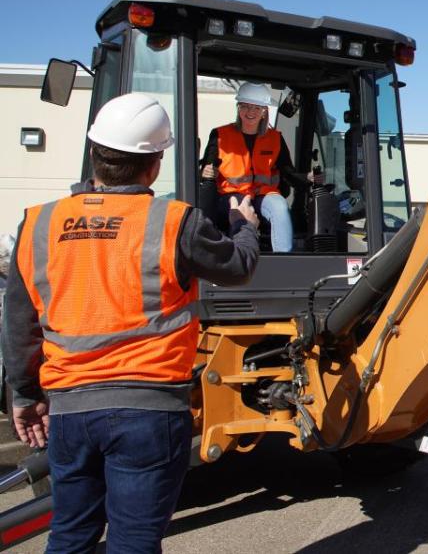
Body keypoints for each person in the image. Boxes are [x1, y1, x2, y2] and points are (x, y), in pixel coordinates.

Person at [2, 93, 260, 553]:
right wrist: (245, 224)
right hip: (150, 410)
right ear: (155, 163)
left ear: (94, 150)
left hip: (70, 410)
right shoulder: (175, 221)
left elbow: (20, 325)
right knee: (135, 540)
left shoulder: (37, 224)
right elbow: (239, 268)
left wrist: (25, 396)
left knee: (70, 535)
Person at [200, 82, 316, 253]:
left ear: (264, 112)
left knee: (280, 206)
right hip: (230, 195)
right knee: (240, 208)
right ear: (238, 108)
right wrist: (206, 172)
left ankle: (284, 263)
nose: (250, 112)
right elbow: (207, 168)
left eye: (256, 108)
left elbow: (287, 172)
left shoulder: (275, 138)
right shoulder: (220, 135)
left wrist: (307, 178)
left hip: (263, 195)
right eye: (245, 106)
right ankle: (238, 261)